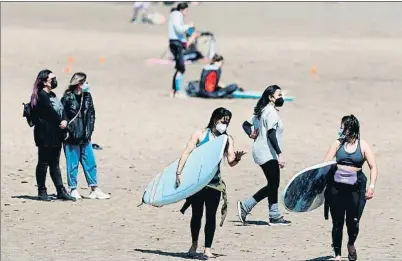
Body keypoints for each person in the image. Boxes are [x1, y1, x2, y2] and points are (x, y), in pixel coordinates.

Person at [175, 107, 246, 258]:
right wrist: (178, 172)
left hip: (214, 183)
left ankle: (207, 248)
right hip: (198, 183)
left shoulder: (227, 139)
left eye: (227, 122)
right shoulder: (200, 134)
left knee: (211, 216)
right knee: (196, 215)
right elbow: (186, 152)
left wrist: (238, 158)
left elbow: (231, 161)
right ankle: (194, 245)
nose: (225, 124)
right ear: (215, 119)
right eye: (222, 121)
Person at [323, 115, 378, 261]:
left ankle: (351, 243)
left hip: (356, 188)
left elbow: (373, 167)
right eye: (341, 126)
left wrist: (371, 186)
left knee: (353, 221)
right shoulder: (337, 143)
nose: (341, 129)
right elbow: (324, 164)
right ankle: (337, 253)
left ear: (351, 128)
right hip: (336, 187)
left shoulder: (363, 145)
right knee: (337, 221)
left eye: (344, 127)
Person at [237, 85, 291, 226]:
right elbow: (271, 134)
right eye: (279, 95)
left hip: (261, 151)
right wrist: (280, 154)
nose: (281, 98)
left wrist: (251, 133)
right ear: (271, 97)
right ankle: (246, 205)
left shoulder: (262, 111)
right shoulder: (271, 113)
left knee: (273, 184)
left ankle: (274, 216)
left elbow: (245, 124)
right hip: (267, 152)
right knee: (273, 184)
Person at [61, 72, 110, 200]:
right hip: (71, 138)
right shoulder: (67, 97)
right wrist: (68, 130)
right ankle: (73, 189)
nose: (87, 85)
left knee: (90, 162)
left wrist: (89, 131)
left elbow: (91, 114)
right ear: (79, 84)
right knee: (72, 164)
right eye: (84, 82)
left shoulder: (87, 96)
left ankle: (94, 189)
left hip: (85, 136)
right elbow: (63, 115)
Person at [29, 69, 76, 201]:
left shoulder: (53, 94)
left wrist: (65, 120)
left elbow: (61, 110)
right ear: (45, 82)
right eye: (52, 79)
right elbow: (50, 113)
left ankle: (60, 190)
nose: (55, 81)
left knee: (55, 163)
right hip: (44, 135)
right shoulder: (40, 96)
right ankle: (42, 191)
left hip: (56, 134)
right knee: (43, 163)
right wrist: (60, 121)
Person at [168, 2, 197, 97]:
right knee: (181, 68)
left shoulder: (175, 15)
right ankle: (178, 91)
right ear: (182, 9)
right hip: (176, 43)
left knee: (179, 68)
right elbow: (179, 29)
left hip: (176, 42)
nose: (187, 13)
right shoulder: (177, 15)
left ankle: (173, 90)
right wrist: (188, 26)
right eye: (186, 10)